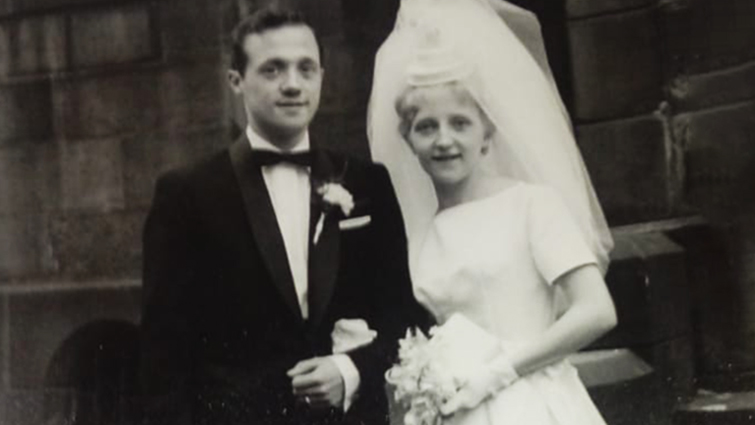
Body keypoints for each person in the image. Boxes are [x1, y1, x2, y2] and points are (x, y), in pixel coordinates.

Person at [139, 7, 424, 425]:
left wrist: (350, 370)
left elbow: (402, 315)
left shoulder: (367, 184)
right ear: (236, 81)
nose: (293, 84)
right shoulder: (187, 193)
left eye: (306, 68)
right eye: (273, 70)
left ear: (322, 77)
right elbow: (162, 354)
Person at [368, 0, 617, 423]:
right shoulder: (420, 235)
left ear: (487, 133)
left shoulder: (530, 205)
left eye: (460, 123)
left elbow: (596, 310)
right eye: (427, 127)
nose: (444, 140)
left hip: (531, 401)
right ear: (408, 141)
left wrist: (499, 373)